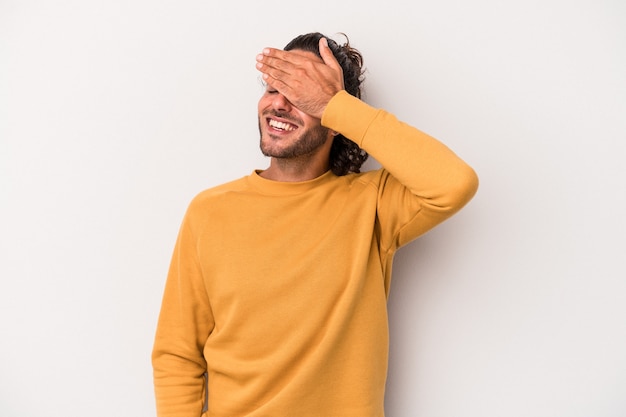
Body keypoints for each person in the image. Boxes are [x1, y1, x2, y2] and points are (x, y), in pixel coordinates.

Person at [152, 32, 479, 417]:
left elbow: (454, 183)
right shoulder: (209, 211)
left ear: (336, 117)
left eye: (301, 94)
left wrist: (336, 104)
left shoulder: (372, 204)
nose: (279, 104)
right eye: (273, 88)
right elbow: (177, 353)